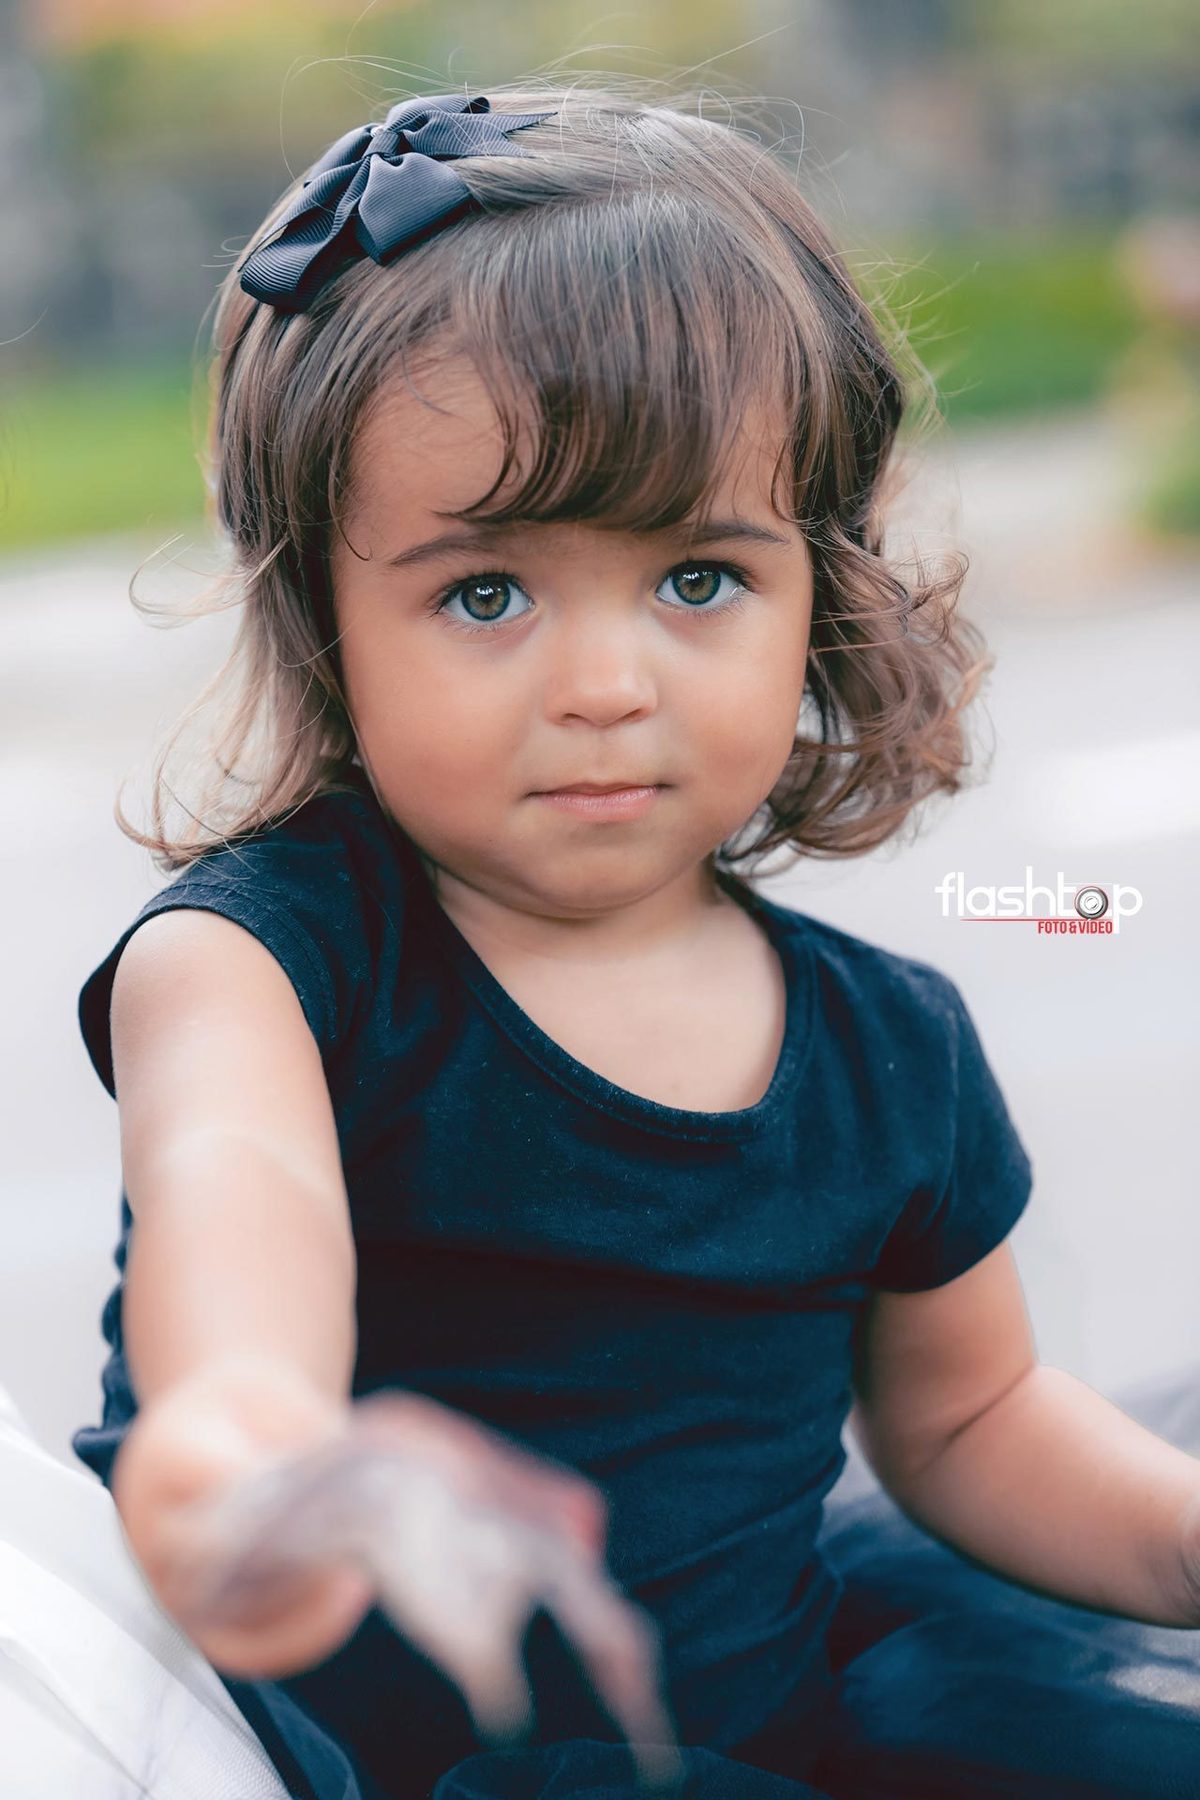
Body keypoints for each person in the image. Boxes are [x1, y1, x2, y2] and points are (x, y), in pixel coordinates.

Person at [71, 81, 1200, 1800]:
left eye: (697, 580)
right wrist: (248, 1434)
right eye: (486, 594)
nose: (605, 686)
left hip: (732, 1742)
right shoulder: (269, 966)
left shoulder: (889, 1045)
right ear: (326, 619)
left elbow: (974, 1424)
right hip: (336, 1751)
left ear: (821, 587)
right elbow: (246, 1205)